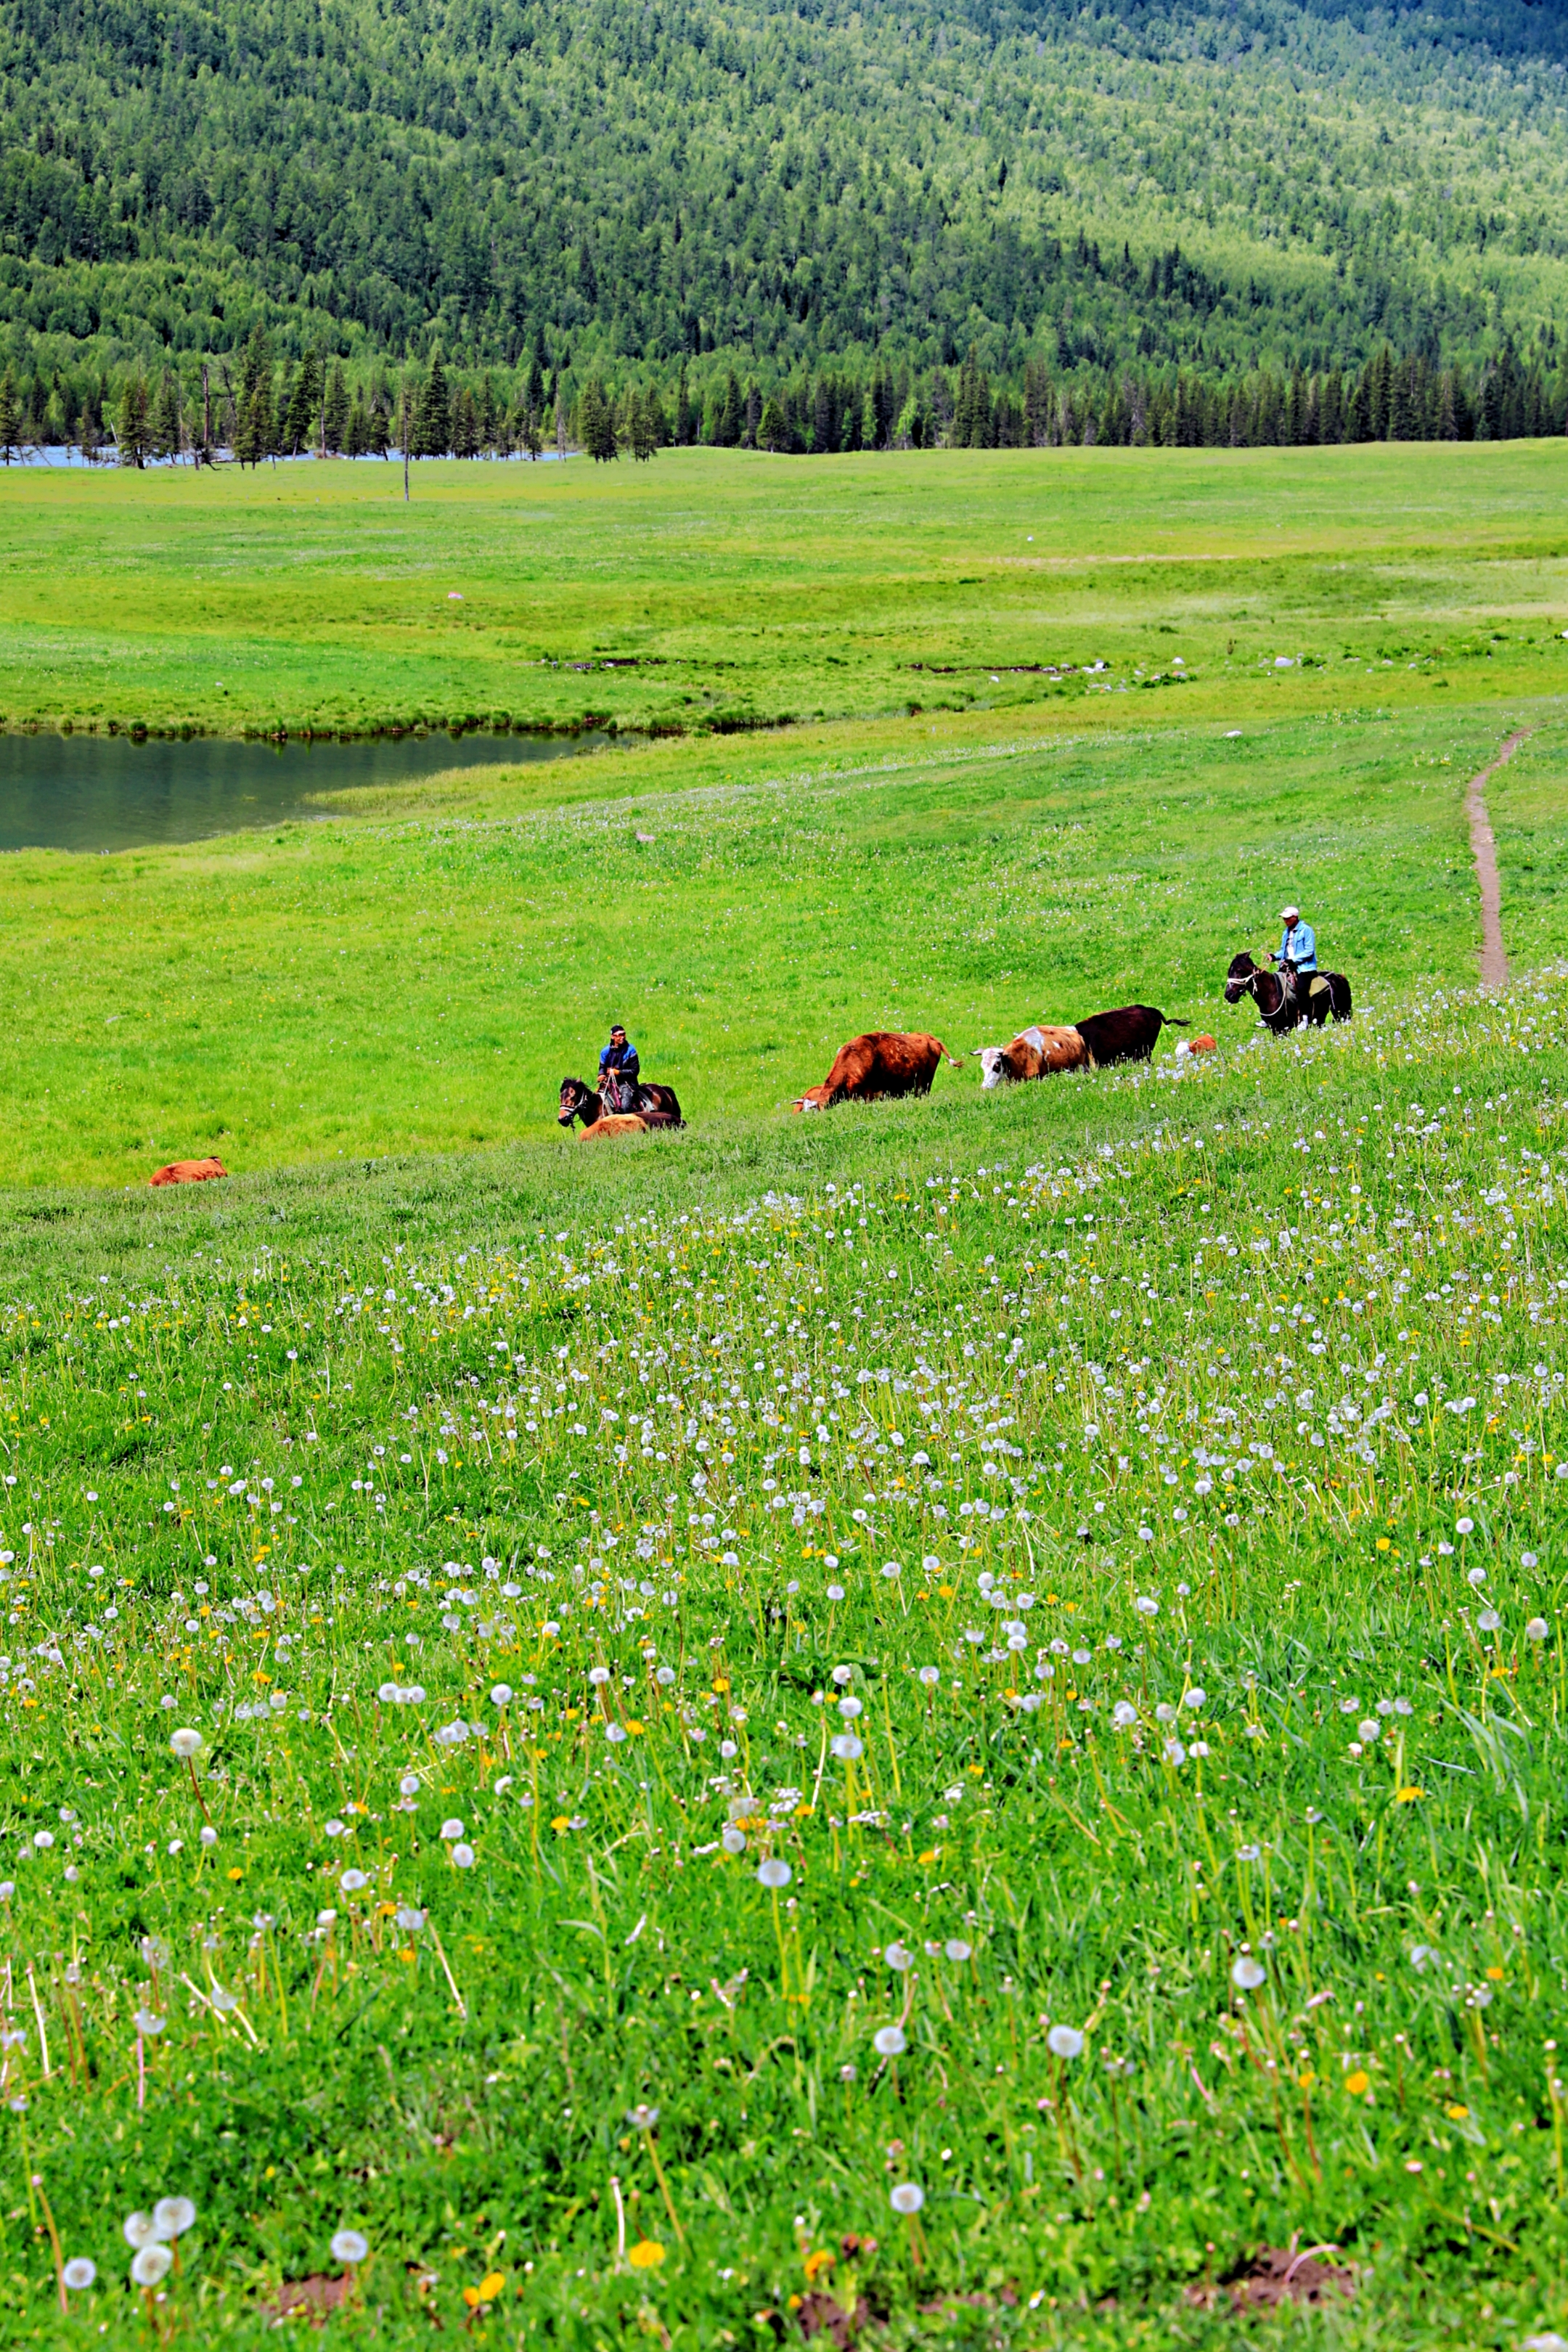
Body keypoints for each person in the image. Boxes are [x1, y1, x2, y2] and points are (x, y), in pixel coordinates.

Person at [598, 1023, 640, 1113]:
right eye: (619, 1035)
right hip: (609, 1082)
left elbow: (635, 1071)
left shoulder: (631, 1050)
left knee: (625, 1106)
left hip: (627, 1083)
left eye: (624, 1034)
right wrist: (601, 1074)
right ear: (613, 1037)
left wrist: (618, 1072)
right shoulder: (605, 1052)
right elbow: (602, 1066)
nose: (623, 1037)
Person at [1272, 904, 1318, 976]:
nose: (1285, 921)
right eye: (1284, 919)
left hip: (1305, 969)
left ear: (1295, 918)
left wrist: (1293, 960)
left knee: (1301, 987)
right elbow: (1284, 951)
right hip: (1287, 966)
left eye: (1288, 918)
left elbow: (1309, 951)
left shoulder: (1306, 930)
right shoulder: (1286, 933)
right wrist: (1274, 957)